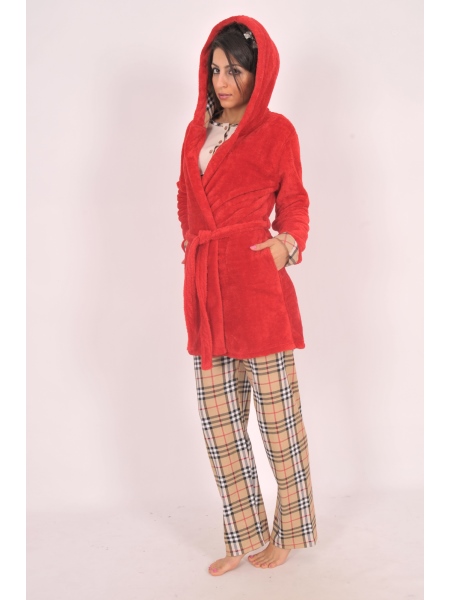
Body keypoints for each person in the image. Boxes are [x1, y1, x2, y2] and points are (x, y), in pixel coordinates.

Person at [176, 15, 318, 576]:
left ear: (260, 73)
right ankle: (244, 533)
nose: (223, 81)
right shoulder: (197, 132)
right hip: (207, 292)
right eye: (215, 69)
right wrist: (191, 246)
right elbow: (185, 198)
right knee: (221, 425)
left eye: (235, 70)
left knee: (279, 423)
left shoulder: (278, 132)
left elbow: (296, 201)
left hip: (257, 289)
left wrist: (287, 245)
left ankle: (289, 531)